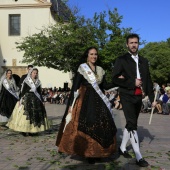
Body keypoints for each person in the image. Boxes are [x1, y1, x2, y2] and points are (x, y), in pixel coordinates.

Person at [56, 47, 117, 164]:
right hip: (85, 99)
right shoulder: (82, 68)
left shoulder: (100, 69)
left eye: (95, 54)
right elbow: (75, 87)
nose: (94, 56)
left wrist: (118, 80)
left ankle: (98, 152)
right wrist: (70, 105)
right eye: (91, 54)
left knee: (101, 123)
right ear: (87, 56)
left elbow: (106, 86)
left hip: (99, 100)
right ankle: (89, 153)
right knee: (88, 122)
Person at [112, 33, 156, 167]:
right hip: (126, 95)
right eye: (131, 42)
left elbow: (147, 80)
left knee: (131, 123)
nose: (133, 45)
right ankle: (138, 156)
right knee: (132, 123)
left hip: (138, 96)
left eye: (135, 42)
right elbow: (114, 78)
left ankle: (122, 148)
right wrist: (132, 82)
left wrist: (153, 99)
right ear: (127, 44)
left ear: (138, 44)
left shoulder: (144, 60)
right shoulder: (121, 60)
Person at [7, 68, 49, 136]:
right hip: (27, 99)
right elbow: (23, 91)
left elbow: (39, 92)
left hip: (36, 100)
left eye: (36, 73)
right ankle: (24, 130)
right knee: (26, 115)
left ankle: (32, 130)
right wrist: (20, 99)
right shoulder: (26, 81)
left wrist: (42, 100)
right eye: (34, 73)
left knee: (34, 115)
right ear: (31, 73)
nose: (35, 74)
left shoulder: (38, 81)